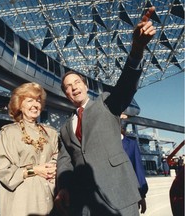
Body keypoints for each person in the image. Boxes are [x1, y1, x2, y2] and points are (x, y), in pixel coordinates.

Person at [54, 7, 156, 216]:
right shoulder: (64, 129)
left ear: (85, 85)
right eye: (68, 87)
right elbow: (65, 160)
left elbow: (126, 86)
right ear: (67, 95)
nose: (73, 87)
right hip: (84, 203)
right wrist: (63, 186)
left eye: (77, 82)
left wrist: (136, 50)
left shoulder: (106, 103)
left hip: (119, 194)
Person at [0, 82, 58, 216]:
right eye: (29, 101)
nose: (35, 105)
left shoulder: (51, 133)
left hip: (47, 196)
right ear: (20, 105)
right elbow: (2, 169)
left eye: (38, 101)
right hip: (22, 198)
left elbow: (58, 157)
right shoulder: (8, 133)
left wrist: (52, 166)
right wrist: (34, 170)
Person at [120, 115, 148, 214]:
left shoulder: (131, 144)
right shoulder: (102, 142)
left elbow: (138, 169)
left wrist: (142, 195)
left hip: (129, 195)